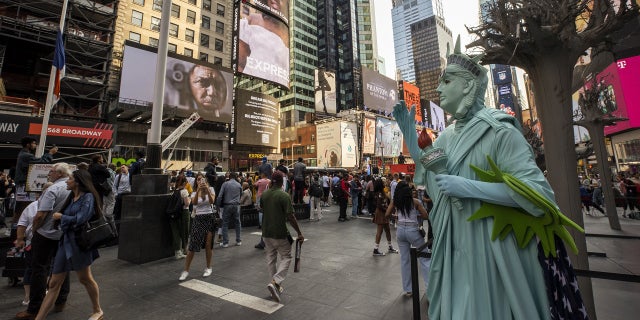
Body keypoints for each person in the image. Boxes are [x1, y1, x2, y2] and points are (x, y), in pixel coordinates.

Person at [392, 38, 584, 319]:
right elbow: (437, 188)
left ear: (468, 85)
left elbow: (540, 196)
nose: (437, 88)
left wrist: (469, 187)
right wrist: (410, 134)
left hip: (494, 257)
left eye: (446, 81)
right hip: (455, 256)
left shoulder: (500, 132)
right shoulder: (444, 137)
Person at [34, 169, 104, 320]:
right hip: (65, 243)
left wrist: (62, 217)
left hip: (78, 244)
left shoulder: (88, 197)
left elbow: (81, 218)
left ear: (78, 182)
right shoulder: (71, 196)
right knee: (53, 283)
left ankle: (97, 310)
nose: (67, 181)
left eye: (70, 179)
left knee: (85, 279)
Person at [16, 163, 72, 320]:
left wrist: (34, 230)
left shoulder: (52, 189)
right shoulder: (73, 188)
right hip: (64, 233)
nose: (50, 174)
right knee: (62, 268)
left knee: (39, 269)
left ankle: (34, 308)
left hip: (46, 234)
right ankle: (61, 301)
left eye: (52, 171)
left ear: (60, 174)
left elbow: (40, 215)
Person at [259, 171, 304, 303]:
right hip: (280, 232)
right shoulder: (284, 196)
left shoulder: (265, 194)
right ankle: (276, 282)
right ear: (281, 182)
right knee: (286, 257)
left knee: (271, 259)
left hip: (266, 232)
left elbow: (262, 208)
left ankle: (275, 285)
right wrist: (299, 232)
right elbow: (291, 216)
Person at [385, 181, 429, 296]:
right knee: (424, 257)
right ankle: (430, 290)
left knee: (405, 260)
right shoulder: (415, 202)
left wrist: (396, 216)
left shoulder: (396, 202)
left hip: (400, 231)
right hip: (413, 231)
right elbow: (425, 215)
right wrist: (417, 215)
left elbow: (387, 214)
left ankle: (408, 289)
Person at [15, 182, 53, 307]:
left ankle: (37, 294)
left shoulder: (35, 206)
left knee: (39, 268)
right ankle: (30, 296)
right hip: (35, 242)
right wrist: (20, 239)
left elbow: (22, 224)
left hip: (40, 242)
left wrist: (20, 239)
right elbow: (22, 224)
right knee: (37, 269)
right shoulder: (33, 206)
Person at [238, 0, 290, 86]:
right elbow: (240, 64)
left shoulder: (289, 34)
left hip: (276, 89)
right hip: (252, 86)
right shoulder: (252, 20)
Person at [179, 174, 216, 281]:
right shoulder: (195, 192)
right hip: (199, 218)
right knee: (193, 244)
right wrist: (199, 189)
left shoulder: (211, 189)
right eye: (198, 180)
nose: (200, 181)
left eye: (202, 179)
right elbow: (194, 203)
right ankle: (186, 270)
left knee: (208, 245)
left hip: (209, 217)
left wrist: (207, 190)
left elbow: (212, 201)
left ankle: (208, 267)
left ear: (205, 180)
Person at [371, 178, 399, 256]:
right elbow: (380, 205)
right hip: (381, 213)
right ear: (380, 184)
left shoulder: (382, 193)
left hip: (383, 213)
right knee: (380, 231)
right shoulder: (379, 194)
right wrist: (388, 211)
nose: (385, 183)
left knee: (387, 230)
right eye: (383, 182)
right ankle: (375, 249)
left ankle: (390, 247)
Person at [216, 172, 243, 247]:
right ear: (235, 177)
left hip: (227, 205)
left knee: (225, 223)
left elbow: (220, 196)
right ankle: (238, 241)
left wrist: (217, 205)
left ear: (230, 177)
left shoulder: (225, 184)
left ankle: (225, 242)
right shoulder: (239, 184)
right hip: (236, 205)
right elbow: (241, 193)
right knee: (237, 223)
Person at [171, 175, 191, 260]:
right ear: (184, 183)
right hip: (184, 213)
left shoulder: (174, 191)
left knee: (176, 232)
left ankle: (177, 251)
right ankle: (184, 250)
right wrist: (190, 199)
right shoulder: (184, 191)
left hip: (175, 213)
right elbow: (186, 204)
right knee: (184, 232)